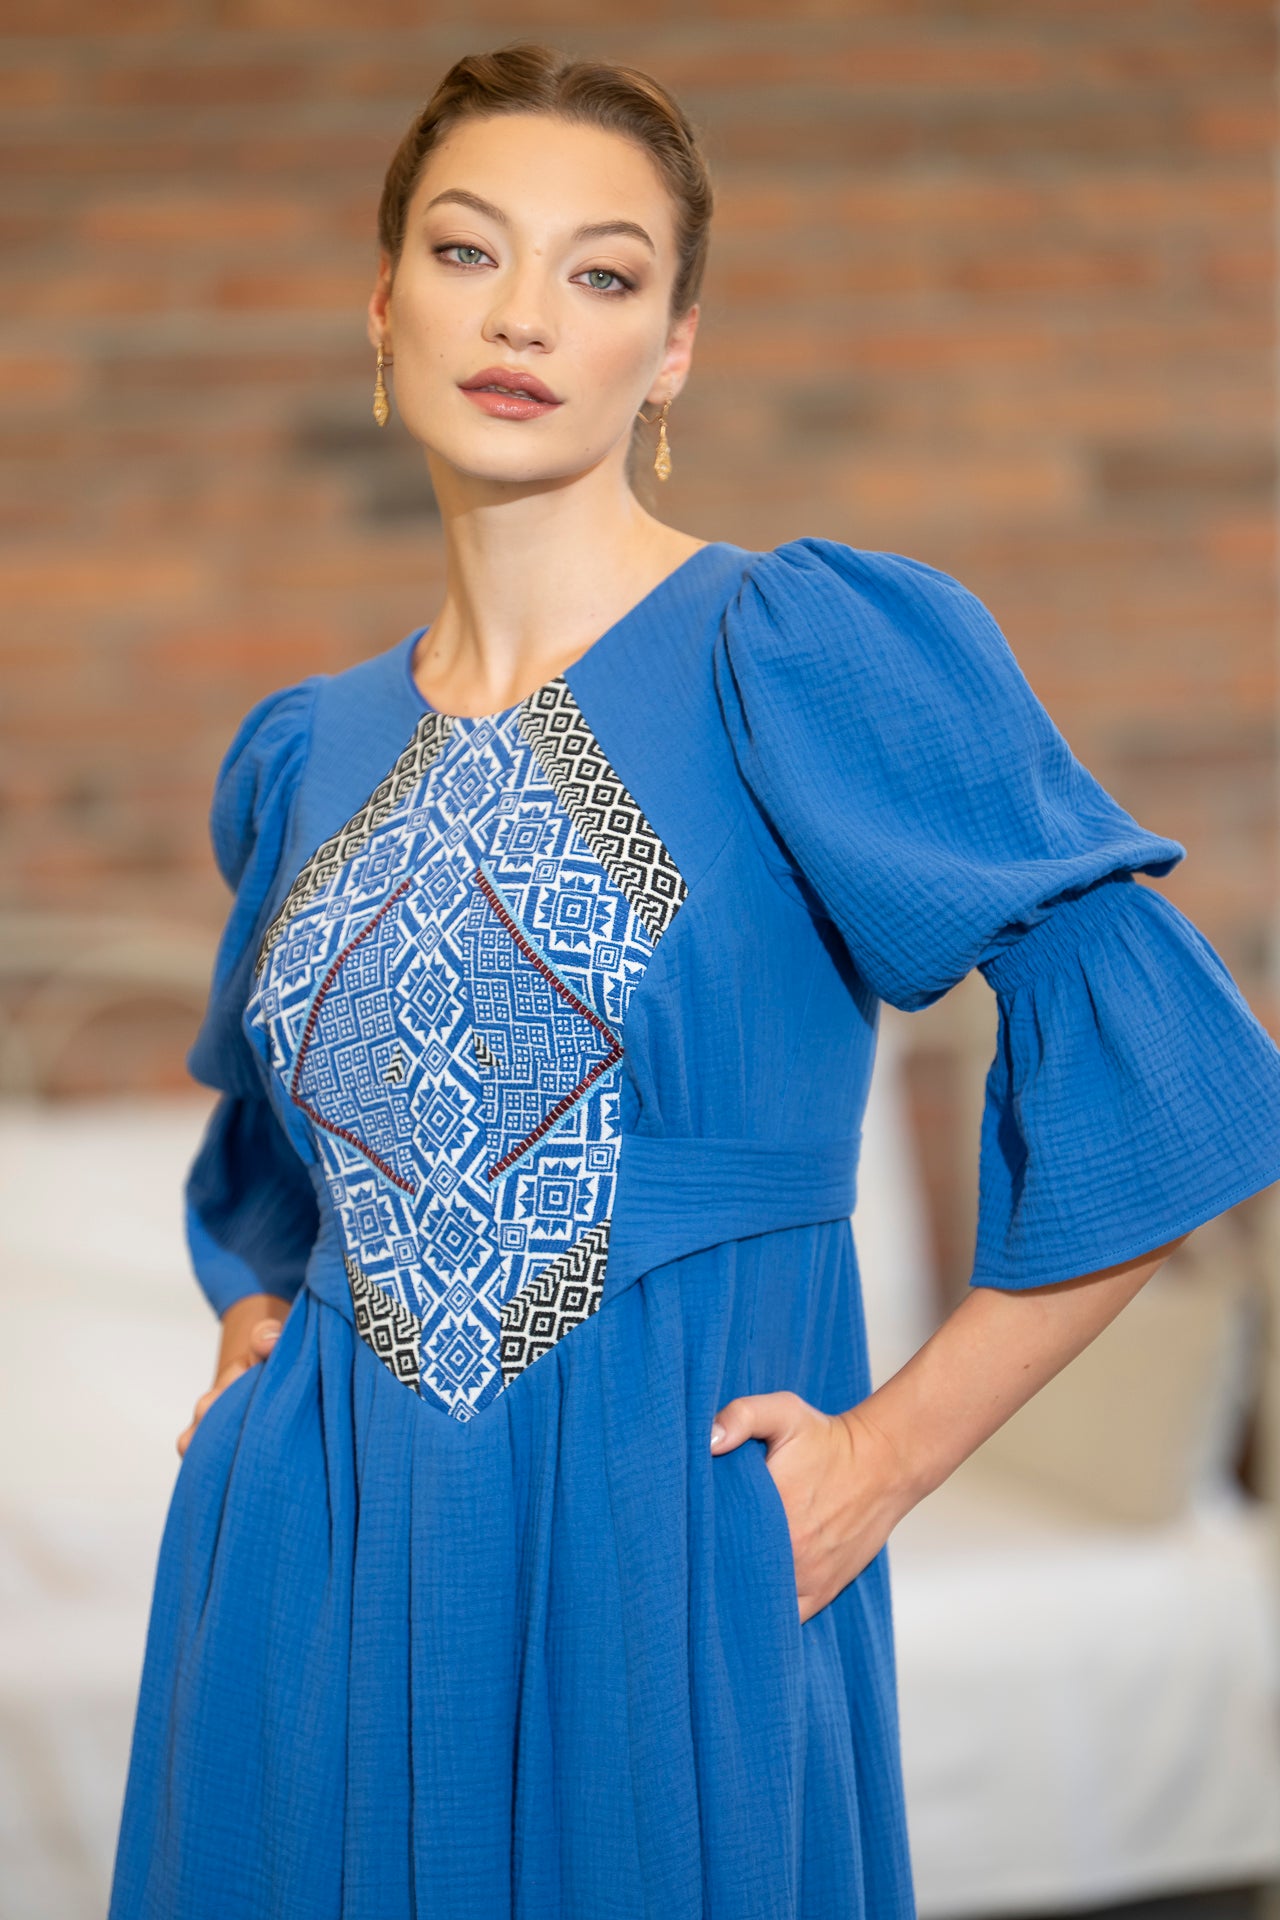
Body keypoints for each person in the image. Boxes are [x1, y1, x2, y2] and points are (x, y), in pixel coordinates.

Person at [107, 41, 1280, 1920]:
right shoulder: (303, 755)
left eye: (603, 273)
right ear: (385, 307)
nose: (524, 314)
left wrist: (891, 1454)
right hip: (301, 1577)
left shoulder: (790, 653)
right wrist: (257, 1327)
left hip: (664, 1570)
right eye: (469, 250)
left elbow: (1171, 1065)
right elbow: (268, 1155)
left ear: (672, 352)